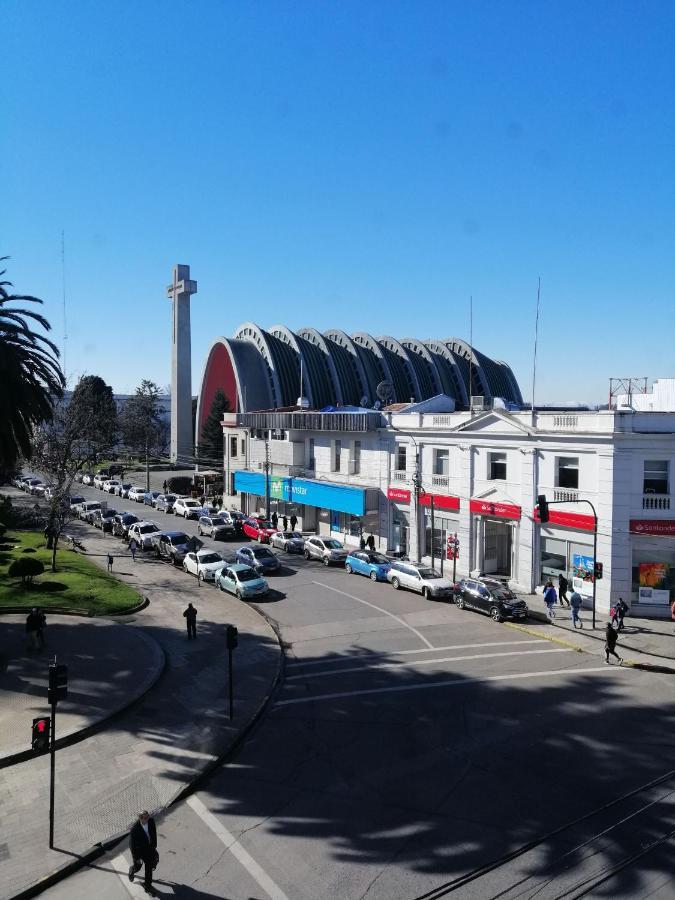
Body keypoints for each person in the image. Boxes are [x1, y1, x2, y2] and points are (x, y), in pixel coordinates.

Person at [128, 810, 159, 895]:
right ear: (140, 818)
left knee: (148, 870)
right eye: (144, 818)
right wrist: (136, 858)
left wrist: (154, 846)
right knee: (138, 867)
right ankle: (132, 870)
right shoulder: (135, 829)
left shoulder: (151, 821)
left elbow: (154, 834)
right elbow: (132, 846)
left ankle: (147, 887)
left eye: (147, 817)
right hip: (140, 853)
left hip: (149, 850)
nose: (146, 819)